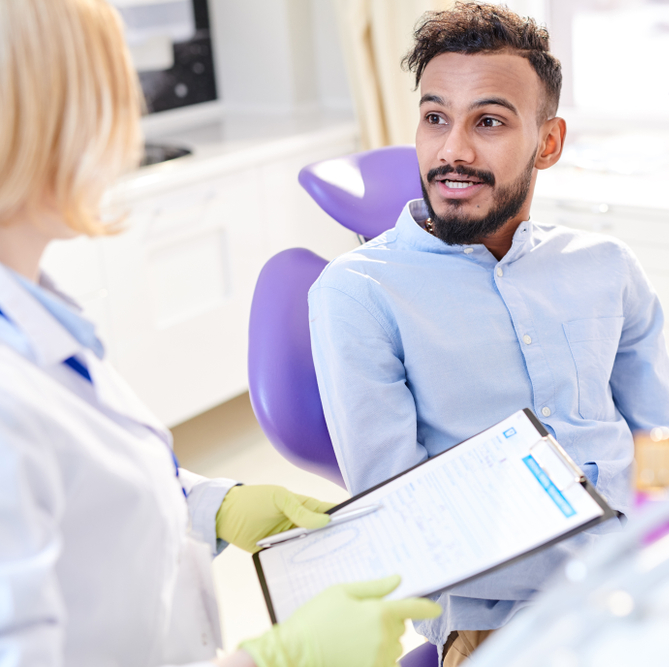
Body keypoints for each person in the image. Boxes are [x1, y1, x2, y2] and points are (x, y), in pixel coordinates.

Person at [0, 1, 440, 666]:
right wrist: (275, 660)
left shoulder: (37, 314)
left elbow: (84, 505)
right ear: (40, 115)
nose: (127, 119)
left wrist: (211, 505)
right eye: (107, 89)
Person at [308, 3, 669, 664]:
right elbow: (403, 522)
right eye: (435, 118)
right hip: (509, 623)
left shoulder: (606, 266)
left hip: (653, 582)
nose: (452, 150)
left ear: (548, 142)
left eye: (487, 121)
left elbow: (665, 443)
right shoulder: (359, 293)